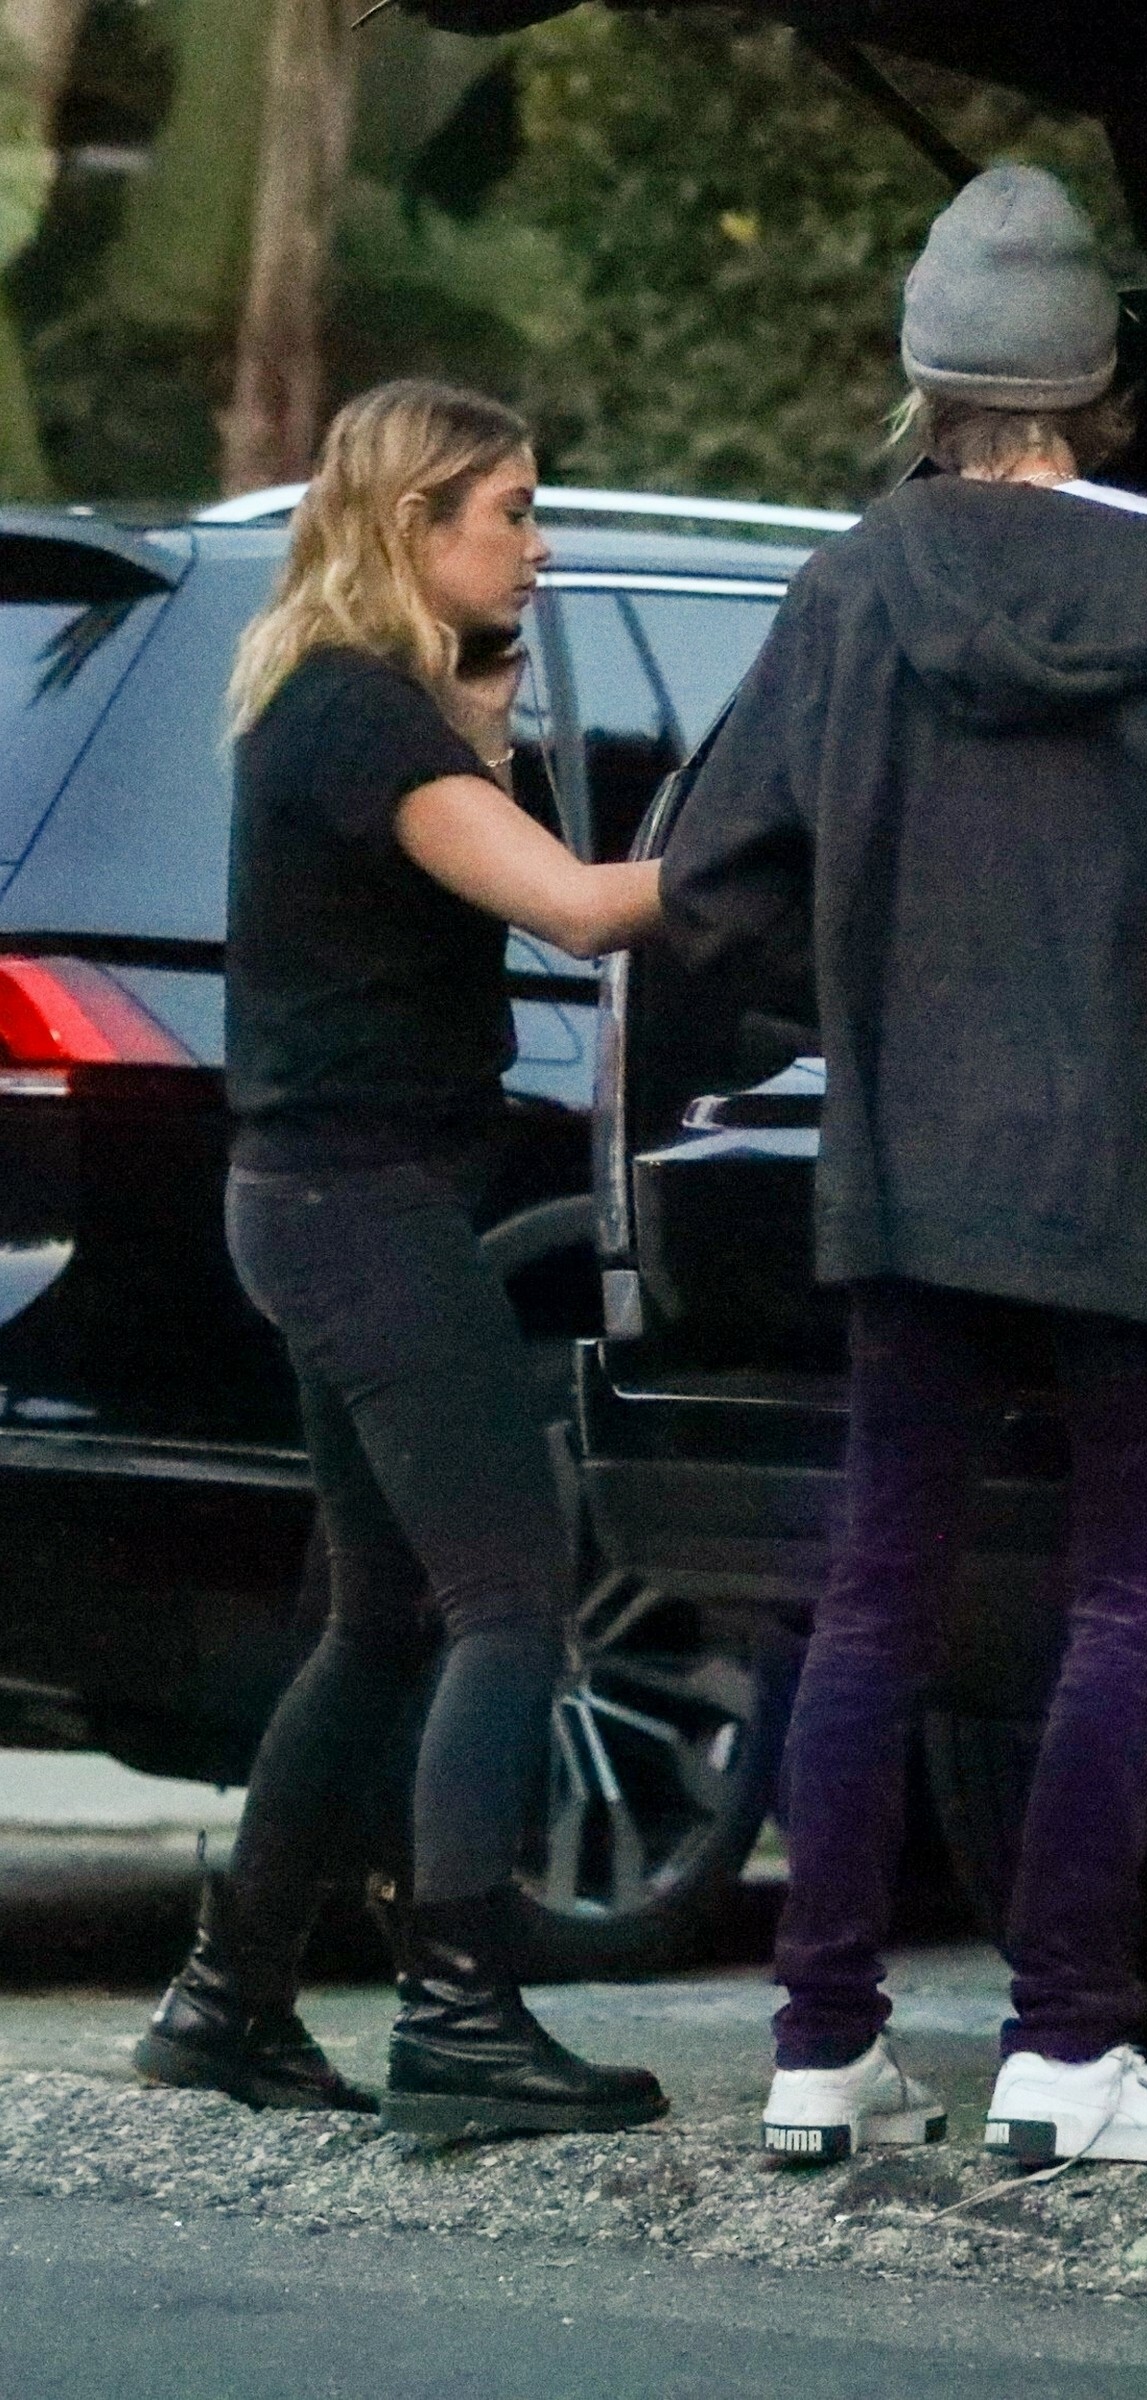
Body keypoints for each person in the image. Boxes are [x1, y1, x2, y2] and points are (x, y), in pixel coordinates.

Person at [660, 167, 1147, 2171]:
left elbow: (709, 883)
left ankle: (820, 2051)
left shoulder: (846, 585)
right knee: (1128, 1599)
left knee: (874, 1596)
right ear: (1099, 381)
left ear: (926, 381)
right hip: (1137, 1165)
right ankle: (1066, 2049)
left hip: (905, 1172)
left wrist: (868, 1001)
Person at [135, 379, 667, 2140]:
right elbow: (577, 908)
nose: (540, 544)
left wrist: (484, 727)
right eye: (511, 510)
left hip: (315, 1199)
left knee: (379, 1622)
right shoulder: (363, 718)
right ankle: (460, 2016)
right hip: (363, 1208)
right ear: (412, 522)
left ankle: (230, 2002)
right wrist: (785, 844)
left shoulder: (340, 700)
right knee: (510, 1601)